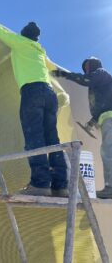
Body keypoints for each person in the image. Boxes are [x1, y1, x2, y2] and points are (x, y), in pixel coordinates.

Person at [0, 10, 68, 197]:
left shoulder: (20, 42)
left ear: (23, 34)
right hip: (49, 94)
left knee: (35, 137)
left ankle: (41, 184)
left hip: (32, 91)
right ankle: (61, 187)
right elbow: (53, 68)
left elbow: (2, 33)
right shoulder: (40, 51)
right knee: (53, 140)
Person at [52, 57, 112, 199]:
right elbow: (104, 104)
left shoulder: (100, 73)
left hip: (110, 118)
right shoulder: (102, 82)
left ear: (93, 65)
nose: (86, 70)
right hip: (107, 117)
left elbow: (87, 80)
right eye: (85, 68)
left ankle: (110, 188)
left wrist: (65, 75)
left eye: (87, 67)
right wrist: (92, 122)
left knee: (108, 152)